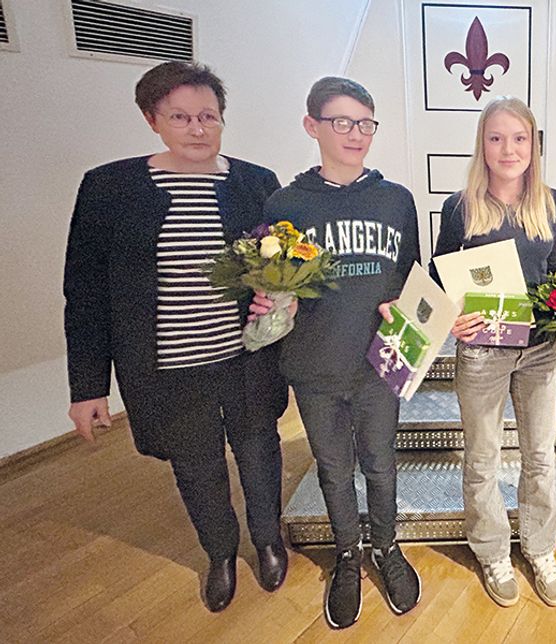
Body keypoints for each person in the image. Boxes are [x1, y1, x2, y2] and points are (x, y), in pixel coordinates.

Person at [63, 61, 289, 613]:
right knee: (196, 464)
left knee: (260, 451)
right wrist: (87, 387)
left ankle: (267, 541)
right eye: (181, 117)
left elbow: (282, 264)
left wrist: (277, 293)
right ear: (152, 120)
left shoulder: (256, 182)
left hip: (246, 357)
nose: (197, 128)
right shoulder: (109, 188)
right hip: (167, 367)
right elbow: (86, 293)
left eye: (208, 116)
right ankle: (219, 552)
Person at [255, 76, 421, 629]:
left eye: (366, 123)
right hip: (314, 366)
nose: (356, 134)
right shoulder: (285, 204)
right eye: (342, 122)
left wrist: (408, 309)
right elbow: (271, 284)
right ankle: (347, 554)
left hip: (380, 364)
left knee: (380, 465)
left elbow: (410, 278)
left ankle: (387, 548)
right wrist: (275, 304)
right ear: (312, 126)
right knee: (332, 467)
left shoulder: (397, 200)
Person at [429, 96, 556, 608]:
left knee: (540, 456)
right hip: (483, 351)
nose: (508, 149)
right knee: (483, 457)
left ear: (533, 146)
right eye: (496, 138)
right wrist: (453, 316)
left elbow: (554, 269)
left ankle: (540, 546)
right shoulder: (459, 206)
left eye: (519, 138)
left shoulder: (550, 202)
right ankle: (492, 551)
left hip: (540, 350)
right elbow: (442, 273)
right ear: (481, 146)